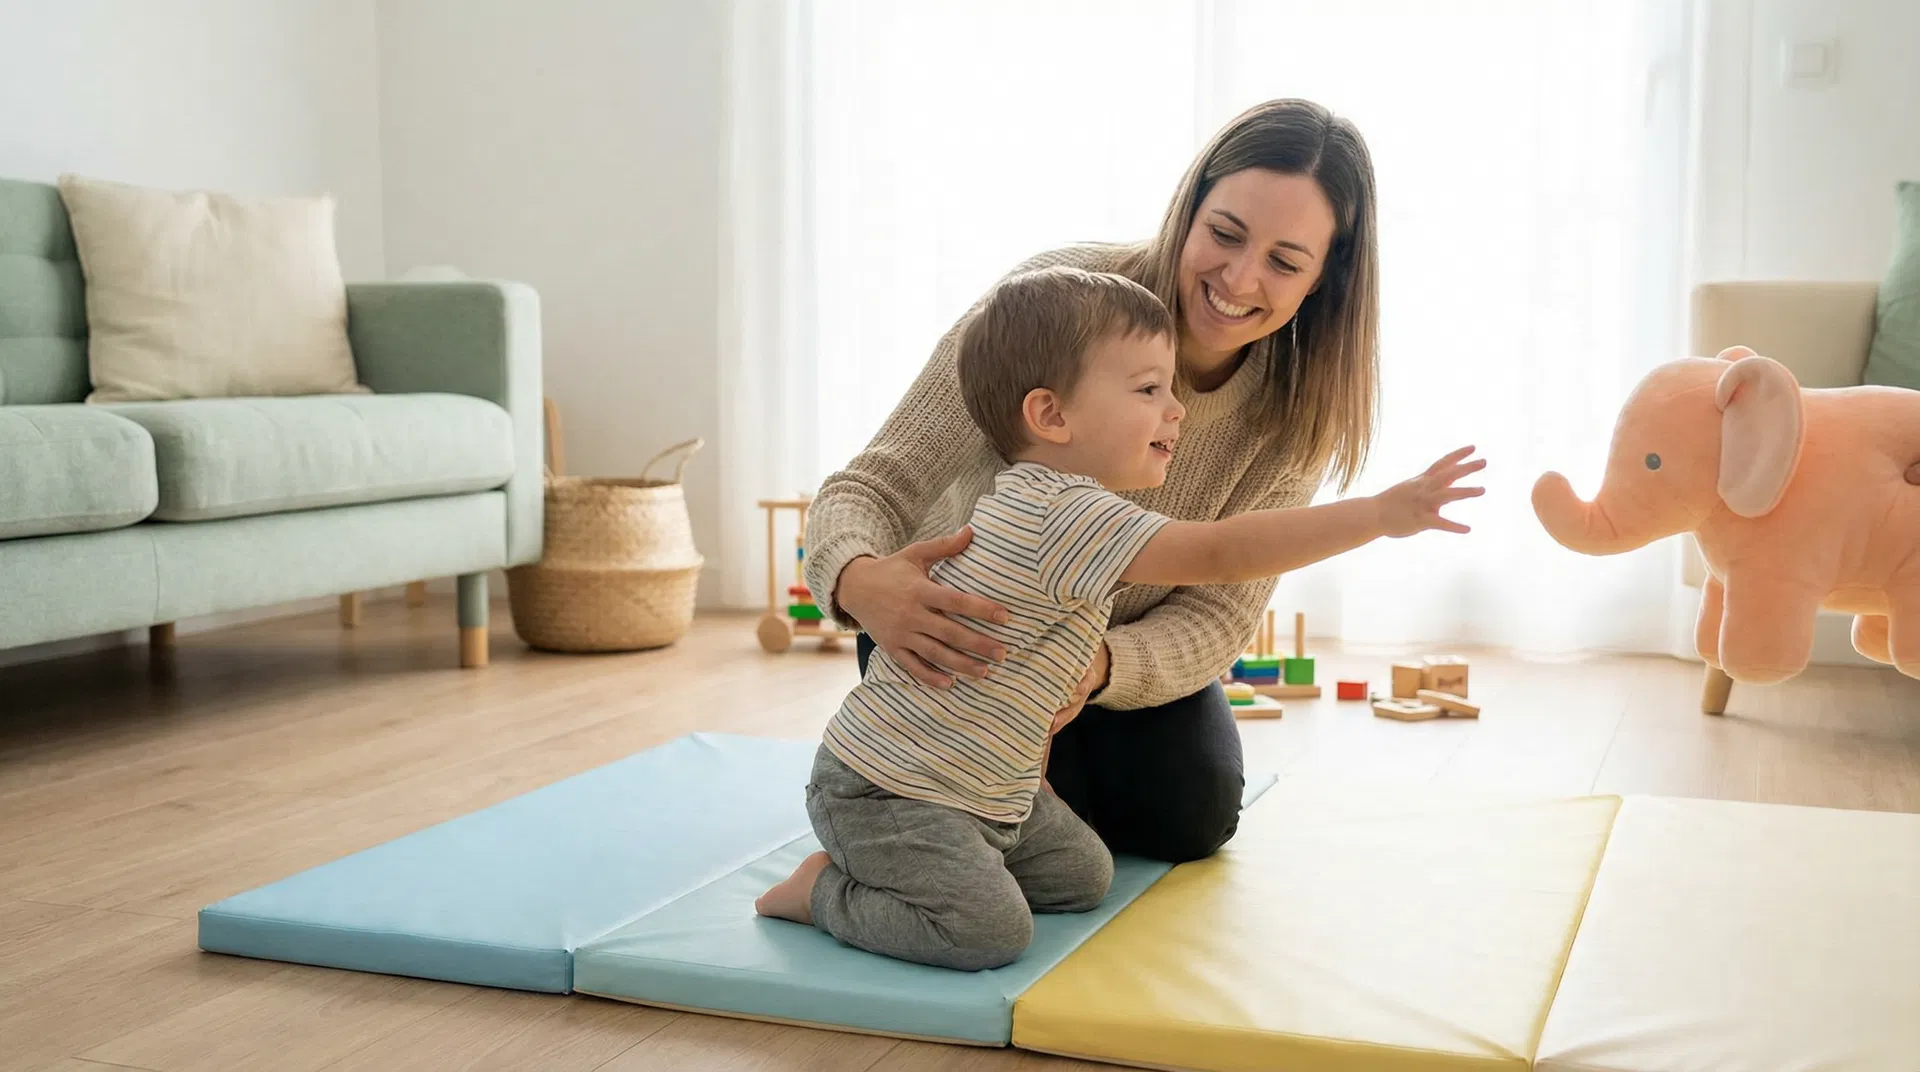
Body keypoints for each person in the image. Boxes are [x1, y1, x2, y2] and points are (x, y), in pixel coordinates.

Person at [754, 265, 1482, 971]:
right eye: (1148, 391)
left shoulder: (1056, 502)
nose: (1177, 410)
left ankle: (961, 840)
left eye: (1170, 388)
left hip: (986, 788)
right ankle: (822, 890)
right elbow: (1226, 552)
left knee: (1082, 879)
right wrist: (1381, 515)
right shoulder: (1063, 512)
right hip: (888, 791)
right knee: (989, 935)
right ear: (1051, 415)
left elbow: (1216, 607)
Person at [798, 98, 1384, 864]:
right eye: (1225, 234)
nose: (1239, 277)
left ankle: (995, 793)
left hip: (1102, 655)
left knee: (1191, 815)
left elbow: (1216, 616)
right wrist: (860, 582)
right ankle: (940, 795)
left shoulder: (1299, 411)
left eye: (1284, 261)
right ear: (1190, 209)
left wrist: (1095, 666)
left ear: (1323, 280)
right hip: (955, 630)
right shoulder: (1056, 298)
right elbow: (875, 482)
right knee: (980, 782)